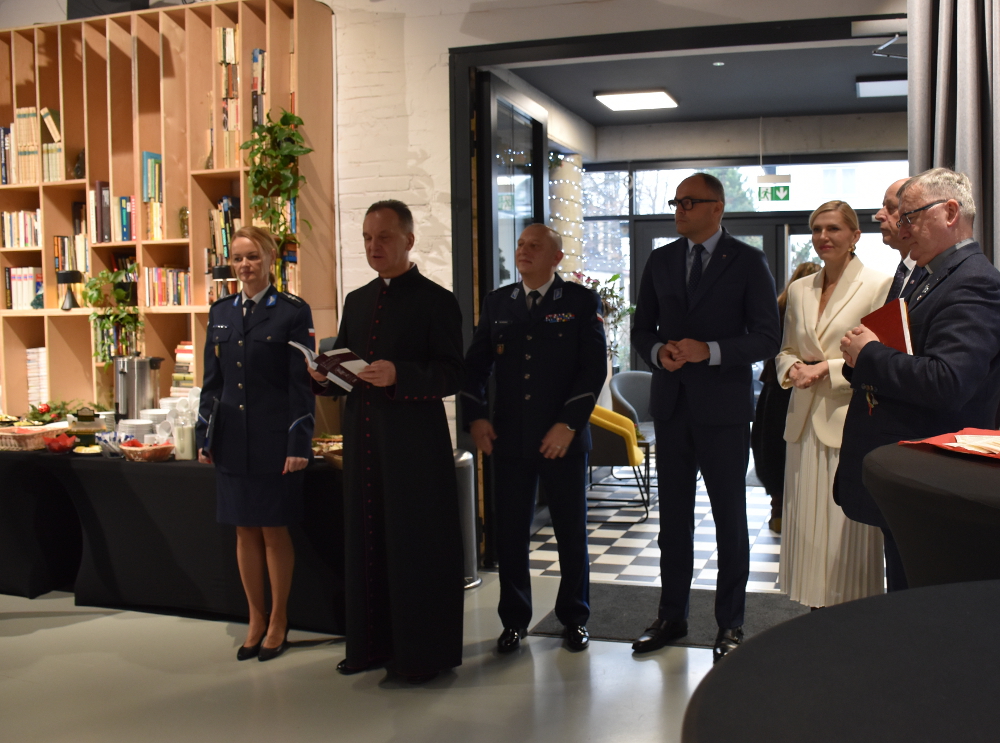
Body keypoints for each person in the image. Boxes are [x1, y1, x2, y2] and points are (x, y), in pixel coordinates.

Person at [309, 199, 464, 684]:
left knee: (414, 546)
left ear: (409, 240)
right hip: (363, 439)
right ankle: (368, 647)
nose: (373, 246)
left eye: (384, 237)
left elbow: (452, 373)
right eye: (367, 238)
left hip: (414, 446)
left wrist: (401, 374)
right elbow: (346, 369)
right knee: (366, 540)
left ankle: (420, 656)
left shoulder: (437, 300)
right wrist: (323, 376)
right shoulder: (357, 300)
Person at [630, 173, 781, 661]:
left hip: (724, 411)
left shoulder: (749, 261)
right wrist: (658, 352)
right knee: (673, 522)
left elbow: (767, 338)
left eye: (689, 202)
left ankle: (730, 623)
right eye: (676, 202)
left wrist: (709, 350)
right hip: (672, 407)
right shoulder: (661, 259)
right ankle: (671, 616)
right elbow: (640, 328)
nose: (679, 209)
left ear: (717, 208)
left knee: (729, 520)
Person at [839, 168, 1000, 591]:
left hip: (936, 479)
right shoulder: (930, 276)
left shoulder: (974, 281)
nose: (902, 227)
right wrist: (860, 357)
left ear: (950, 212)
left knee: (928, 606)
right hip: (912, 472)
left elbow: (947, 382)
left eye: (910, 216)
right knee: (906, 597)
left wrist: (869, 354)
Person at [461, 224, 607, 654]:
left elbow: (593, 369)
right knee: (510, 536)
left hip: (562, 439)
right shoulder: (498, 302)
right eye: (521, 244)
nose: (523, 251)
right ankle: (514, 621)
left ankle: (574, 618)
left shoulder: (579, 301)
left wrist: (569, 424)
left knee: (570, 533)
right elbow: (475, 366)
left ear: (556, 257)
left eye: (535, 246)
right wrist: (475, 417)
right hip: (509, 439)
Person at [197, 226, 315, 662]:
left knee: (272, 530)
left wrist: (299, 442)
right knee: (244, 530)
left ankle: (279, 620)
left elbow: (301, 385)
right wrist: (205, 434)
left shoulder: (292, 312)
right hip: (231, 440)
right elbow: (212, 384)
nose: (245, 265)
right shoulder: (220, 312)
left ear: (270, 260)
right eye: (238, 258)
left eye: (253, 257)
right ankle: (255, 618)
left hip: (274, 439)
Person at [774, 201, 891, 608]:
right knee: (806, 527)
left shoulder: (879, 285)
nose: (823, 236)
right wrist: (792, 369)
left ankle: (852, 615)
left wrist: (828, 368)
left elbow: (881, 356)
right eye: (817, 229)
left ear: (855, 235)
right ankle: (814, 615)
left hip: (848, 420)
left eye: (833, 229)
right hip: (803, 421)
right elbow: (786, 349)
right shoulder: (800, 289)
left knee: (845, 529)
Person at [831, 179, 925, 592]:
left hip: (919, 449)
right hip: (887, 441)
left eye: (891, 207)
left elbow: (944, 378)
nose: (879, 216)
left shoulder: (955, 280)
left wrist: (865, 353)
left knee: (917, 586)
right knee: (900, 578)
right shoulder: (905, 275)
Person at [751, 261, 821, 533]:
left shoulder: (779, 305)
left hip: (774, 386)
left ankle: (778, 509)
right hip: (802, 384)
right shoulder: (808, 307)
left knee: (771, 448)